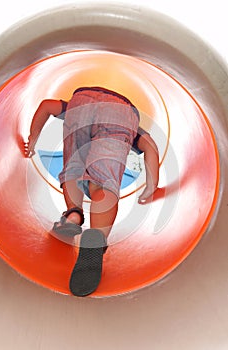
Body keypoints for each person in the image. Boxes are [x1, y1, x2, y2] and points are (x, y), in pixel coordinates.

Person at [24, 86, 159, 297]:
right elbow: (151, 148)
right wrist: (151, 187)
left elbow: (47, 106)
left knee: (72, 169)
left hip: (80, 101)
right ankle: (96, 237)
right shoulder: (135, 131)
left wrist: (33, 138)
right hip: (122, 113)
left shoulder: (70, 107)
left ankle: (73, 214)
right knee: (103, 181)